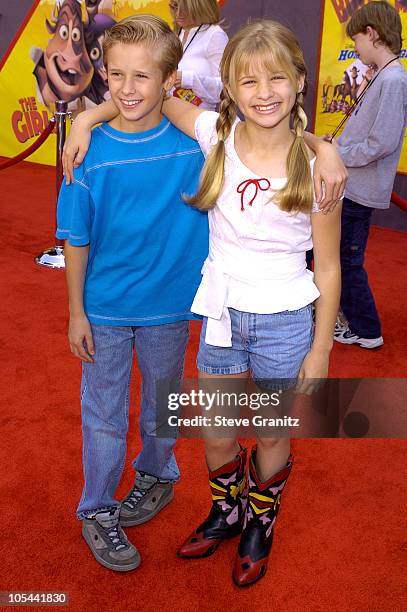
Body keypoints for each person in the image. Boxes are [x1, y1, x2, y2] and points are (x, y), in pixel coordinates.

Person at [158, 20, 342, 587]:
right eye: (249, 81)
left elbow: (329, 265)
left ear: (299, 83)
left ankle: (261, 521)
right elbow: (161, 101)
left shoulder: (316, 171)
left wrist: (321, 350)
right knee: (216, 432)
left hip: (286, 321)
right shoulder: (215, 135)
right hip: (220, 311)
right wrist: (86, 119)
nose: (264, 92)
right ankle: (226, 510)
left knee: (268, 432)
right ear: (230, 90)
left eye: (277, 78)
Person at [56, 14, 209, 572]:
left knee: (161, 408)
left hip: (171, 308)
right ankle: (97, 508)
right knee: (103, 414)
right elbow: (75, 236)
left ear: (169, 81)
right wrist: (76, 311)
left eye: (142, 77)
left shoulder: (197, 146)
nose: (125, 88)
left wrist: (326, 150)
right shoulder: (86, 151)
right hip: (104, 309)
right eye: (115, 74)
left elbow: (268, 142)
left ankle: (157, 475)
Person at [331, 1, 407, 349]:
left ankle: (367, 329)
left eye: (356, 40)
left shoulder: (393, 79)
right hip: (353, 184)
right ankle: (351, 318)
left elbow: (382, 141)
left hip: (361, 188)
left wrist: (338, 153)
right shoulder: (385, 75)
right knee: (341, 257)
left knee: (348, 261)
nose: (355, 48)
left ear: (371, 34)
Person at [169, 0, 228, 109]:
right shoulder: (177, 32)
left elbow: (224, 88)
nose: (178, 13)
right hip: (169, 115)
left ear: (201, 6)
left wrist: (187, 79)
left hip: (198, 120)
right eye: (175, 6)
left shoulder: (215, 35)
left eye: (186, 8)